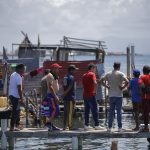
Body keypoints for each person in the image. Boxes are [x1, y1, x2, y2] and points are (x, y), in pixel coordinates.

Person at [100, 62, 128, 132]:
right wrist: (122, 87)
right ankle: (120, 128)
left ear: (113, 66)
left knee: (111, 112)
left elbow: (101, 81)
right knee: (119, 112)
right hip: (119, 95)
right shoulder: (121, 74)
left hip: (111, 95)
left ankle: (109, 128)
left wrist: (107, 86)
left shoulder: (108, 74)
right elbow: (127, 81)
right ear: (119, 67)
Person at [82, 63, 104, 130]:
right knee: (95, 109)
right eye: (95, 69)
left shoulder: (84, 75)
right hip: (91, 94)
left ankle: (86, 125)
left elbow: (87, 84)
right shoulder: (92, 74)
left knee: (87, 110)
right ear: (91, 68)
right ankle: (97, 125)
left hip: (85, 95)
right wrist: (95, 91)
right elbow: (95, 83)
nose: (95, 70)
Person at [41, 63, 62, 131]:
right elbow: (50, 87)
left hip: (54, 94)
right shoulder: (50, 76)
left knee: (54, 111)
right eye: (57, 68)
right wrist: (55, 97)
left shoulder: (54, 76)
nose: (58, 70)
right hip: (52, 95)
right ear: (53, 69)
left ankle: (50, 125)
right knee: (55, 111)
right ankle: (47, 124)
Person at [9, 64, 25, 131]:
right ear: (20, 69)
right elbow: (19, 88)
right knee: (16, 111)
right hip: (15, 96)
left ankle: (16, 126)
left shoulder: (13, 74)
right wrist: (22, 98)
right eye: (23, 69)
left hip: (11, 95)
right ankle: (12, 127)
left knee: (17, 111)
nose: (24, 70)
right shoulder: (18, 77)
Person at [62, 64, 78, 130]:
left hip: (66, 98)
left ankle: (64, 126)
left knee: (66, 112)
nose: (75, 71)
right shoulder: (71, 77)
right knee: (70, 112)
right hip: (70, 97)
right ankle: (70, 126)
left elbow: (63, 86)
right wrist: (65, 94)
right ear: (71, 70)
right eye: (74, 70)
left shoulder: (65, 77)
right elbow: (70, 86)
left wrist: (63, 94)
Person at [140, 65, 150, 132]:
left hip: (146, 97)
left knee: (146, 113)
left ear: (143, 71)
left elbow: (141, 85)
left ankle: (146, 127)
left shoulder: (142, 77)